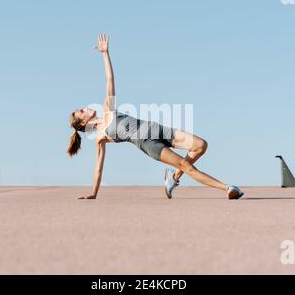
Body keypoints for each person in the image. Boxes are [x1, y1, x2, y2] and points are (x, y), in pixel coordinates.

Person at [68, 34, 244, 200]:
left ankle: (172, 178)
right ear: (83, 122)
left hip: (157, 129)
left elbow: (109, 79)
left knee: (201, 145)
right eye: (81, 111)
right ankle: (227, 188)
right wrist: (93, 193)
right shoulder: (100, 138)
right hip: (149, 145)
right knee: (186, 165)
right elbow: (98, 169)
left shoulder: (107, 108)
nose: (85, 108)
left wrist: (105, 54)